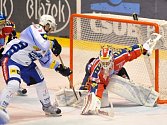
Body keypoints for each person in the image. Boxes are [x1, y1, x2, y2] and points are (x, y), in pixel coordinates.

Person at [0, 14, 72, 124]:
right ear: (46, 24)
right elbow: (43, 45)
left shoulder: (45, 42)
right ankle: (1, 108)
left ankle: (47, 106)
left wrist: (60, 68)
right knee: (14, 84)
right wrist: (53, 44)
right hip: (12, 59)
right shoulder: (35, 28)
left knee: (41, 82)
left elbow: (46, 62)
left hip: (27, 64)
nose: (51, 30)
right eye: (50, 27)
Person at [81, 35, 161, 115]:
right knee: (86, 88)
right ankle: (82, 87)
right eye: (103, 62)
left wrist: (144, 48)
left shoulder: (119, 57)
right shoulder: (96, 71)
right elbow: (96, 86)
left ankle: (131, 88)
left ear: (112, 59)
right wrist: (96, 100)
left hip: (116, 71)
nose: (105, 64)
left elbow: (130, 51)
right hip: (90, 71)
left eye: (107, 62)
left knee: (126, 80)